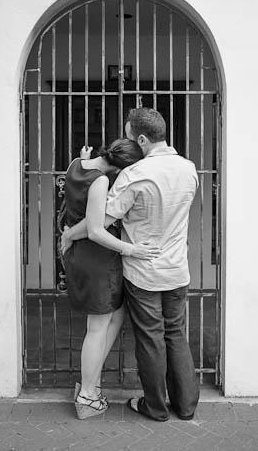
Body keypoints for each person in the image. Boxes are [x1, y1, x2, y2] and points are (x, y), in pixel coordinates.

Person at [61, 107, 199, 422]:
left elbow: (100, 222)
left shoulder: (134, 175)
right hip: (177, 269)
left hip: (143, 271)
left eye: (128, 135)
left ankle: (156, 407)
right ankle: (186, 406)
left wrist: (69, 233)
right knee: (175, 333)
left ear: (140, 138)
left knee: (150, 337)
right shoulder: (189, 169)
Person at [59, 138, 160, 420]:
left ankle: (90, 382)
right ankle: (88, 395)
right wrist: (133, 250)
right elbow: (95, 229)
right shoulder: (101, 181)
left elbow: (78, 194)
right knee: (97, 327)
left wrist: (84, 157)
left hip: (83, 255)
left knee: (115, 314)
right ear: (122, 169)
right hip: (96, 257)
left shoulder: (76, 164)